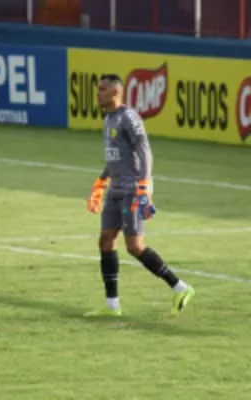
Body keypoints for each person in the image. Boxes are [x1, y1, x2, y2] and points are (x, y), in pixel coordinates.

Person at [85, 74, 195, 317]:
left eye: (102, 89)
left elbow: (144, 150)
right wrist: (101, 181)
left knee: (134, 246)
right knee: (105, 240)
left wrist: (144, 185)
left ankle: (180, 287)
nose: (98, 93)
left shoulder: (129, 117)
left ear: (115, 92)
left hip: (132, 189)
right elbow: (114, 155)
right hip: (115, 188)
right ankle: (112, 306)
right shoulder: (108, 118)